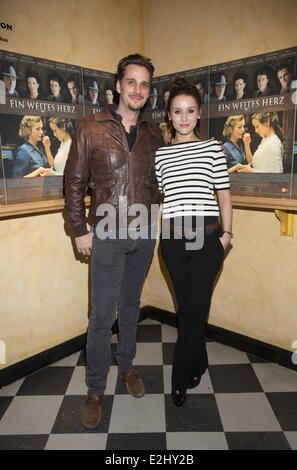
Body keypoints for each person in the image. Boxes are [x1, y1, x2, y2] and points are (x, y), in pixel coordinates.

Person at [64, 53, 164, 428]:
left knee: (132, 306)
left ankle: (127, 367)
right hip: (105, 232)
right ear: (119, 85)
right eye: (132, 82)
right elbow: (73, 184)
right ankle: (94, 389)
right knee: (102, 315)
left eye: (145, 84)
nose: (138, 89)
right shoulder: (91, 128)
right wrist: (79, 230)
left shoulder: (154, 133)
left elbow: (160, 183)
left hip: (143, 233)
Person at [155, 78, 232, 407]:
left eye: (189, 111)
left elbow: (224, 196)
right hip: (172, 241)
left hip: (208, 239)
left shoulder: (213, 149)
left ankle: (179, 378)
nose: (183, 117)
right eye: (177, 111)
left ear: (199, 114)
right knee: (187, 309)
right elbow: (163, 197)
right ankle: (199, 362)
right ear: (169, 116)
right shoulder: (161, 155)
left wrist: (227, 237)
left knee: (194, 309)